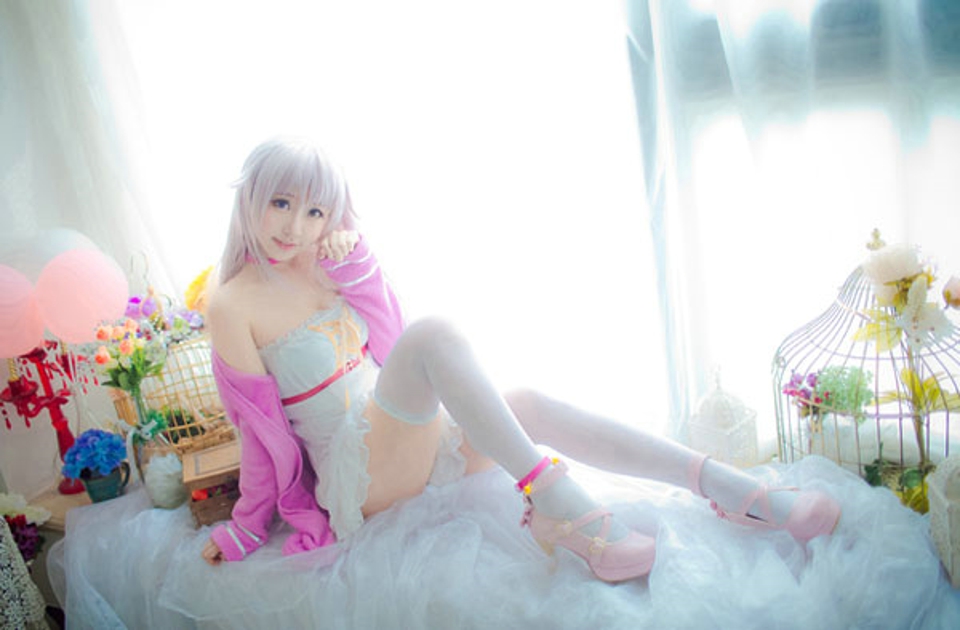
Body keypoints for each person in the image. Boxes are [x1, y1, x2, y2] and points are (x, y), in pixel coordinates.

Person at [200, 137, 841, 582]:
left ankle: (732, 488)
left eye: (314, 211)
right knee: (435, 334)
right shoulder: (231, 303)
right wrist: (247, 527)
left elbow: (391, 353)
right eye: (281, 203)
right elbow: (259, 433)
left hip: (404, 437)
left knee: (525, 403)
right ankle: (561, 504)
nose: (296, 226)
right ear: (251, 196)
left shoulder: (328, 262)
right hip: (360, 475)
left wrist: (359, 271)